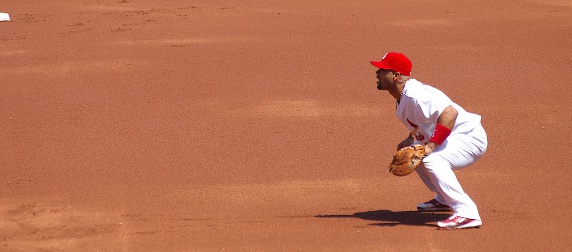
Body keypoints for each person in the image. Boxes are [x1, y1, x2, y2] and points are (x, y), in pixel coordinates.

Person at [370, 52, 488, 229]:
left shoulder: (417, 95)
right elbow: (423, 124)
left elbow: (450, 113)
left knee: (430, 157)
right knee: (414, 151)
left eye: (382, 69)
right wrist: (409, 139)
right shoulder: (403, 99)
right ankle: (444, 198)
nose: (377, 73)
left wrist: (431, 146)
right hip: (455, 137)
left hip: (470, 137)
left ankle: (467, 212)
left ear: (396, 76)